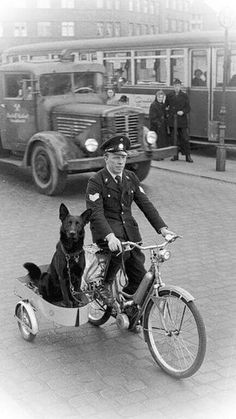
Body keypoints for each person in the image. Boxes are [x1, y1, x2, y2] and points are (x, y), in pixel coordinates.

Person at [86, 134, 175, 304]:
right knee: (118, 253)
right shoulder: (96, 181)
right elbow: (95, 213)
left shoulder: (130, 178)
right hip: (108, 235)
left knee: (141, 279)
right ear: (106, 158)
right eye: (116, 158)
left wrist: (163, 229)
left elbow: (145, 204)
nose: (120, 162)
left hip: (130, 235)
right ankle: (104, 285)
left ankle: (129, 307)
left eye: (123, 158)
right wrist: (110, 236)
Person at [165, 78, 193, 163]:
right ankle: (175, 155)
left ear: (180, 86)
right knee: (174, 139)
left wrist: (183, 111)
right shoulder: (169, 95)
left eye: (178, 86)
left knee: (185, 138)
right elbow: (166, 106)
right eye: (175, 86)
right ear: (173, 87)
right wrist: (168, 113)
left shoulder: (184, 95)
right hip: (173, 120)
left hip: (182, 121)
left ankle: (188, 156)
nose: (176, 87)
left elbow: (188, 108)